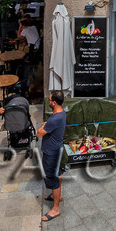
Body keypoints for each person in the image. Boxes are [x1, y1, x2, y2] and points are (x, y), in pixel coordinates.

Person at [35, 90, 68, 222]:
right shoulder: (61, 112)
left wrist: (43, 126)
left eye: (49, 100)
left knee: (52, 179)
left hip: (51, 152)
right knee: (58, 173)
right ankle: (57, 196)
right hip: (57, 149)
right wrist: (45, 126)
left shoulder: (55, 119)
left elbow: (38, 133)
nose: (48, 102)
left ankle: (55, 209)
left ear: (54, 103)